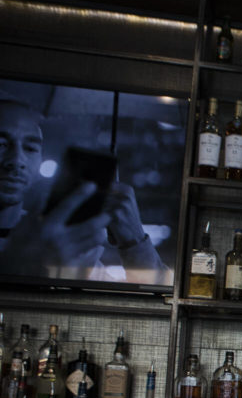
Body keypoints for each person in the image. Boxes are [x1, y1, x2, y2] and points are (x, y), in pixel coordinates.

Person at [0, 98, 168, 284]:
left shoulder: (55, 239)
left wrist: (135, 243)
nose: (16, 160)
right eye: (1, 145)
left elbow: (146, 302)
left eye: (30, 148)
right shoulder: (46, 242)